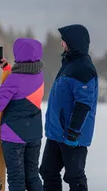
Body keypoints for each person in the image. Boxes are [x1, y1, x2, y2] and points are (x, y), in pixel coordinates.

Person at [40, 24, 98, 191]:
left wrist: (73, 132)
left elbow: (84, 103)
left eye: (64, 40)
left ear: (73, 42)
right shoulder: (69, 63)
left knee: (74, 176)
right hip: (57, 132)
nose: (61, 43)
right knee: (48, 171)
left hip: (72, 134)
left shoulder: (83, 69)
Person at [0, 38, 45, 191]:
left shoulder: (14, 80)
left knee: (16, 178)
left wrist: (6, 79)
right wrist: (7, 68)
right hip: (34, 134)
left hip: (14, 136)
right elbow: (24, 81)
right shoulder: (39, 74)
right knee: (33, 176)